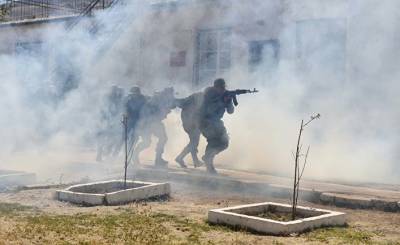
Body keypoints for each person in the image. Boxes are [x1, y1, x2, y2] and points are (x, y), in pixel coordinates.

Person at [132, 87, 177, 168]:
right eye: (171, 94)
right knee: (149, 141)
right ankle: (136, 156)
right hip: (149, 122)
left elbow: (171, 105)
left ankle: (158, 158)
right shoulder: (158, 99)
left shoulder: (162, 99)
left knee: (159, 139)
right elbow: (149, 110)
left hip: (152, 122)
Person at [199, 78, 234, 174]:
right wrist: (221, 100)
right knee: (213, 141)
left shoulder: (225, 95)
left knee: (225, 142)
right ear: (215, 87)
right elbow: (208, 109)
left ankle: (208, 157)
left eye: (223, 88)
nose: (222, 89)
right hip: (205, 121)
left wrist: (229, 101)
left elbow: (231, 111)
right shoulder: (208, 95)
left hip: (217, 122)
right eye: (220, 88)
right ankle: (209, 166)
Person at [96, 85, 125, 162]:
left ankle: (104, 154)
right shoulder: (107, 97)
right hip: (105, 121)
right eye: (114, 90)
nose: (115, 92)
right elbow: (104, 109)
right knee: (103, 138)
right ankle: (99, 155)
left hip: (111, 121)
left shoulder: (117, 98)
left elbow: (119, 109)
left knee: (111, 138)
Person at [175, 92, 204, 168]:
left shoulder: (192, 99)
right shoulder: (195, 99)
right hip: (191, 125)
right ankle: (180, 158)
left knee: (193, 143)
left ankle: (195, 161)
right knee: (194, 143)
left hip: (192, 124)